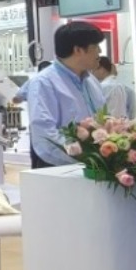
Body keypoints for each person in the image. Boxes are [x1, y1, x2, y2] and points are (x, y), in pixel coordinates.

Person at [28, 22, 106, 168]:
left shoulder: (91, 81)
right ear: (78, 50)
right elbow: (45, 135)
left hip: (95, 164)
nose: (100, 52)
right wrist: (84, 157)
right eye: (95, 46)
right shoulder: (44, 83)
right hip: (59, 167)